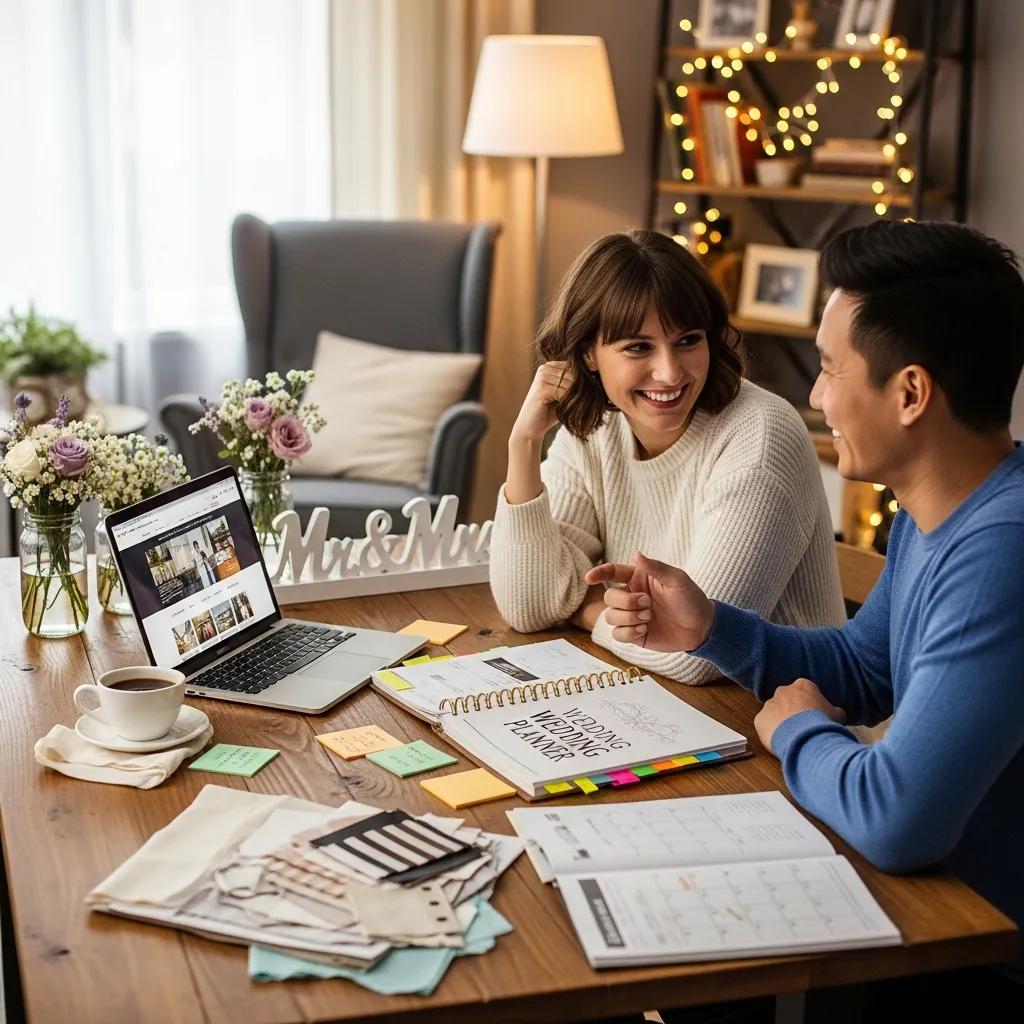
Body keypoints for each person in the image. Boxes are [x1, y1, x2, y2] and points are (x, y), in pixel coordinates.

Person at [586, 220, 1024, 1013]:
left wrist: (797, 730)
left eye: (828, 369)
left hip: (978, 948)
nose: (815, 397)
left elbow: (897, 818)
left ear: (911, 393)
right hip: (939, 910)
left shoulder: (1005, 551)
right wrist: (709, 626)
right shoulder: (935, 516)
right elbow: (865, 667)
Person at [490, 229, 844, 684]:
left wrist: (586, 607)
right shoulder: (597, 427)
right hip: (664, 703)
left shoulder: (761, 437)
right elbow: (530, 604)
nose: (670, 372)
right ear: (588, 354)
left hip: (789, 727)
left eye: (688, 341)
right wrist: (523, 444)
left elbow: (696, 654)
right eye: (639, 346)